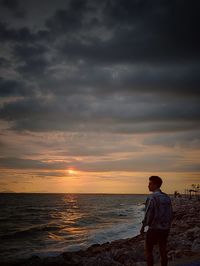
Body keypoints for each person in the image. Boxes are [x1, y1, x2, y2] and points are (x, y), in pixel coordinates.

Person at [140, 176, 173, 266]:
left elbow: (148, 214)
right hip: (165, 228)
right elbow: (170, 213)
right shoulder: (166, 197)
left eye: (150, 183)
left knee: (148, 251)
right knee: (163, 250)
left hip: (154, 228)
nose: (148, 186)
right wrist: (168, 226)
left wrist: (143, 226)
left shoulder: (152, 197)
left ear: (155, 185)